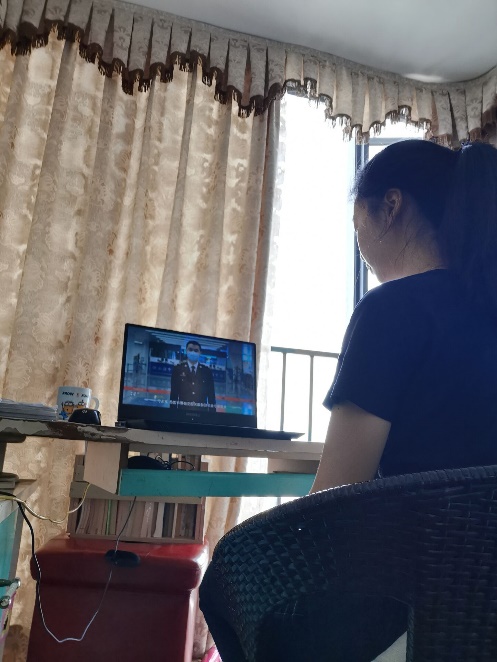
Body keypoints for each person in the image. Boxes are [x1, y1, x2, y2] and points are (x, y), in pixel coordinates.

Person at [200, 139, 497, 661]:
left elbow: (334, 501)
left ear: (391, 206)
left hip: (412, 613)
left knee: (225, 590)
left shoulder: (390, 311)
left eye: (357, 223)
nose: (358, 242)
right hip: (483, 611)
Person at [170, 340, 216, 410]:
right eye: (190, 350)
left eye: (196, 350)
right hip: (182, 411)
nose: (193, 352)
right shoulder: (178, 369)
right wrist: (172, 413)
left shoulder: (207, 371)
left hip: (201, 412)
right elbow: (173, 395)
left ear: (200, 353)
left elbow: (211, 397)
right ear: (186, 351)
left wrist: (212, 415)